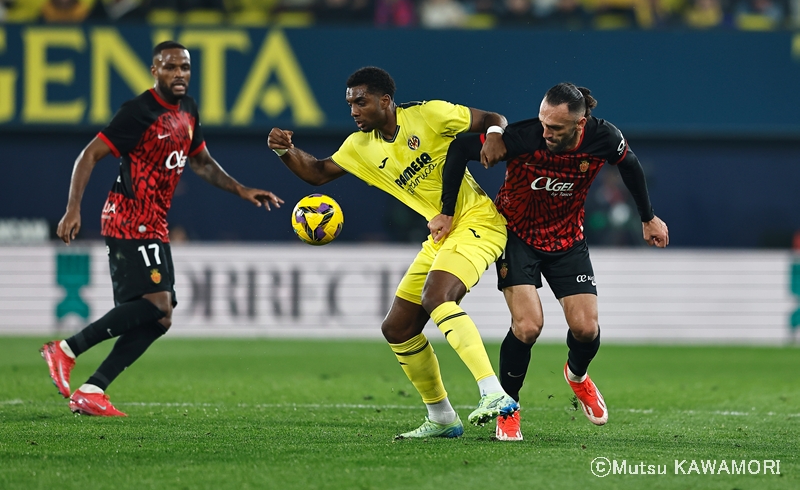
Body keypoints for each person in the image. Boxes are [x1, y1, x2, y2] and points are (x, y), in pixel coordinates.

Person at [267, 66, 518, 438]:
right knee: (398, 328)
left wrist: (495, 134)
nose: (353, 110)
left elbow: (493, 118)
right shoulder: (359, 147)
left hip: (479, 222)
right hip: (440, 236)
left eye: (361, 101)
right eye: (350, 103)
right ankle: (442, 418)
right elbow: (318, 173)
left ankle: (493, 393)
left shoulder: (429, 114)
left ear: (385, 101)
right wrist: (285, 150)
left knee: (437, 296)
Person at [41, 41, 284, 417]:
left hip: (154, 220)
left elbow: (200, 162)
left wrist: (240, 189)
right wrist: (73, 209)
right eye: (171, 68)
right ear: (154, 70)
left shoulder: (187, 109)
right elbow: (89, 154)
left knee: (161, 316)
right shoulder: (139, 112)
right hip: (128, 216)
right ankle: (66, 349)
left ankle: (93, 389)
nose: (180, 75)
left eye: (185, 67)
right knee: (158, 304)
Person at [435, 82, 669, 441]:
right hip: (516, 236)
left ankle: (577, 377)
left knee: (586, 330)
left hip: (566, 240)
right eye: (544, 123)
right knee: (528, 327)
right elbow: (458, 149)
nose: (546, 132)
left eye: (555, 128)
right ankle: (508, 407)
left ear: (580, 124)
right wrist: (447, 212)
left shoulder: (604, 137)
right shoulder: (523, 136)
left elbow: (631, 166)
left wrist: (648, 217)